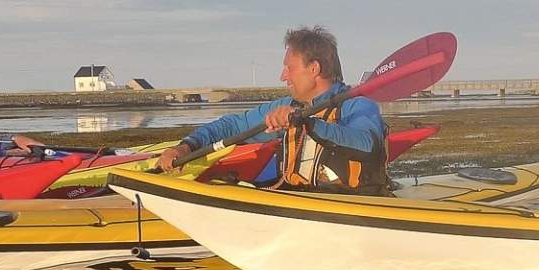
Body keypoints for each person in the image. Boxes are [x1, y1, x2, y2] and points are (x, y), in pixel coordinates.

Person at [154, 26, 389, 193]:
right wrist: (186, 146)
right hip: (299, 198)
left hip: (354, 203)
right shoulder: (287, 107)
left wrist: (307, 123)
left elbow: (366, 144)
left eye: (289, 68)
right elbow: (233, 126)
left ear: (314, 68)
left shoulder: (358, 106)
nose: (282, 76)